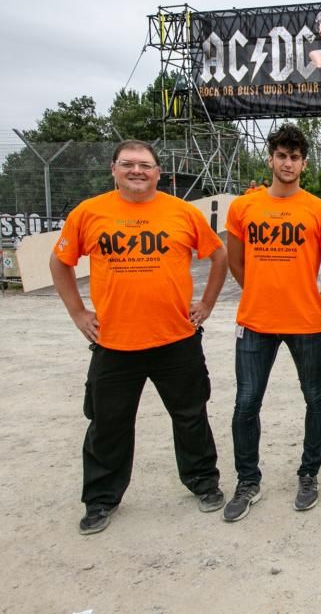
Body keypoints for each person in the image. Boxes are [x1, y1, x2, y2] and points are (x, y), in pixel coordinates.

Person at [49, 140, 228, 535]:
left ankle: (203, 482)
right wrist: (78, 313)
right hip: (115, 343)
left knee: (191, 417)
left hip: (176, 340)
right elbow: (59, 263)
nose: (137, 171)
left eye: (145, 165)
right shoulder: (89, 213)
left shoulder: (182, 212)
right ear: (113, 169)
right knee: (107, 424)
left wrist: (207, 304)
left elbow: (219, 256)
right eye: (128, 164)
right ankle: (101, 499)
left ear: (158, 173)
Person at [223, 124, 321, 522]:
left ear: (304, 163)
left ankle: (309, 475)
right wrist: (260, 292)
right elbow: (236, 261)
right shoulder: (244, 207)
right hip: (255, 320)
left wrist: (317, 305)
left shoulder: (319, 210)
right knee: (246, 402)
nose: (287, 163)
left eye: (294, 157)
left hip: (305, 323)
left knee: (315, 399)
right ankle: (248, 481)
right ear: (270, 159)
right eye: (281, 156)